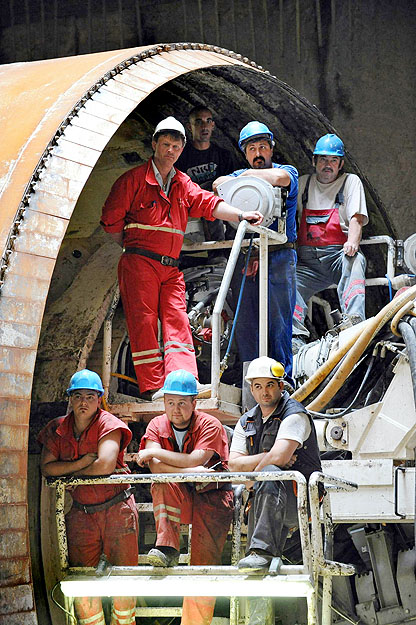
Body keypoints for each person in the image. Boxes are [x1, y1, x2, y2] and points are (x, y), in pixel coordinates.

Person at [101, 116, 263, 400]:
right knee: (145, 323)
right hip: (140, 263)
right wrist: (131, 248)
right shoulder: (134, 180)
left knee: (178, 319)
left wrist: (240, 215)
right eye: (166, 144)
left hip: (170, 266)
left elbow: (209, 203)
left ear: (181, 149)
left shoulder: (183, 183)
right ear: (154, 145)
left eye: (176, 146)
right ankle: (153, 386)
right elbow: (110, 222)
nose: (171, 150)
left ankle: (184, 381)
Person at [38, 369, 139, 625]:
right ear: (70, 399)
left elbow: (105, 465)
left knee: (124, 583)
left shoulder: (109, 424)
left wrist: (68, 471)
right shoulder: (57, 429)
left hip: (117, 510)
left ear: (99, 400)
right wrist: (83, 462)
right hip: (82, 514)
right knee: (83, 582)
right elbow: (47, 469)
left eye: (91, 397)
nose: (84, 402)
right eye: (79, 396)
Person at [134, 369, 234, 625]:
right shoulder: (157, 424)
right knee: (161, 481)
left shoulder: (210, 424)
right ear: (163, 402)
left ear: (194, 403)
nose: (175, 409)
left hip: (212, 499)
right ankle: (167, 546)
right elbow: (157, 469)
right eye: (170, 402)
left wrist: (166, 459)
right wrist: (192, 471)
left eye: (182, 402)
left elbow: (192, 458)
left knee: (203, 568)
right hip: (180, 495)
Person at [213, 121, 298, 387]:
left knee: (279, 321)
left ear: (272, 149)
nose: (258, 152)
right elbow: (218, 185)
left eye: (263, 146)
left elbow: (281, 180)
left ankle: (282, 379)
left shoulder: (286, 170)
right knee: (246, 320)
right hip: (247, 253)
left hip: (278, 254)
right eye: (252, 148)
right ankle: (253, 382)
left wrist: (245, 179)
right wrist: (244, 178)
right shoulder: (238, 174)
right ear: (245, 153)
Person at [228, 356, 322, 572]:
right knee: (268, 472)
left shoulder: (295, 415)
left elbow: (278, 459)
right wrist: (267, 460)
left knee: (271, 472)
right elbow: (233, 468)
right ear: (251, 390)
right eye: (258, 386)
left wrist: (252, 474)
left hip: (298, 501)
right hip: (263, 501)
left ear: (281, 386)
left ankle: (262, 552)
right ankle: (258, 558)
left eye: (270, 385)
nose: (264, 392)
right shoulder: (246, 422)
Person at [293, 133, 368, 342]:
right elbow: (288, 220)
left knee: (355, 261)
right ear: (314, 161)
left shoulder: (350, 182)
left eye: (333, 160)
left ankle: (354, 323)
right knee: (288, 281)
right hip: (307, 264)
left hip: (337, 256)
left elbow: (356, 218)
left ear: (341, 163)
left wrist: (352, 242)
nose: (328, 165)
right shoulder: (303, 184)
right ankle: (294, 338)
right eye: (323, 159)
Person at [176, 105, 236, 262]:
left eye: (208, 121)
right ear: (190, 127)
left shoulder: (223, 155)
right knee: (208, 191)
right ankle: (217, 253)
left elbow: (231, 186)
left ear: (213, 125)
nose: (204, 126)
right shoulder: (181, 157)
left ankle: (231, 249)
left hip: (218, 202)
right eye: (199, 122)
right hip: (192, 203)